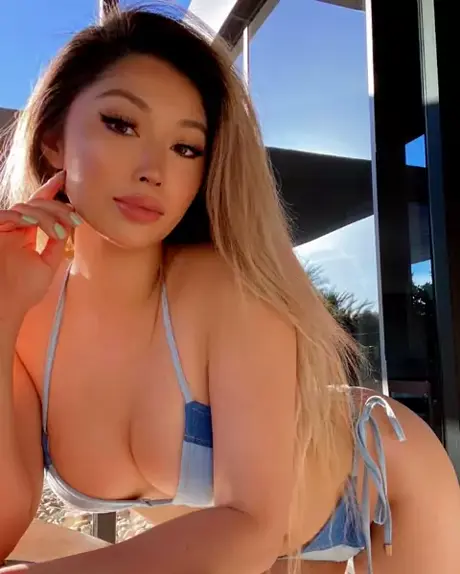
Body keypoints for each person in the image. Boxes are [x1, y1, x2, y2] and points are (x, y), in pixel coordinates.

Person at [0, 5, 458, 574]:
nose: (153, 169)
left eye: (186, 148)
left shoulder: (228, 287)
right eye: (121, 124)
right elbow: (6, 518)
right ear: (52, 140)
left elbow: (251, 521)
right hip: (230, 550)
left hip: (381, 494)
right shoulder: (25, 314)